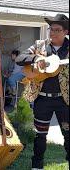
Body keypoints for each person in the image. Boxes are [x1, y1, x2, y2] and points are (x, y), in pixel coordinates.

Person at [15, 14, 69, 170]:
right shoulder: (40, 45)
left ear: (66, 32)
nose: (52, 33)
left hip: (64, 100)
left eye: (57, 30)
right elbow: (20, 58)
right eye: (51, 29)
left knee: (68, 135)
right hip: (42, 99)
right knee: (40, 136)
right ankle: (37, 167)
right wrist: (35, 59)